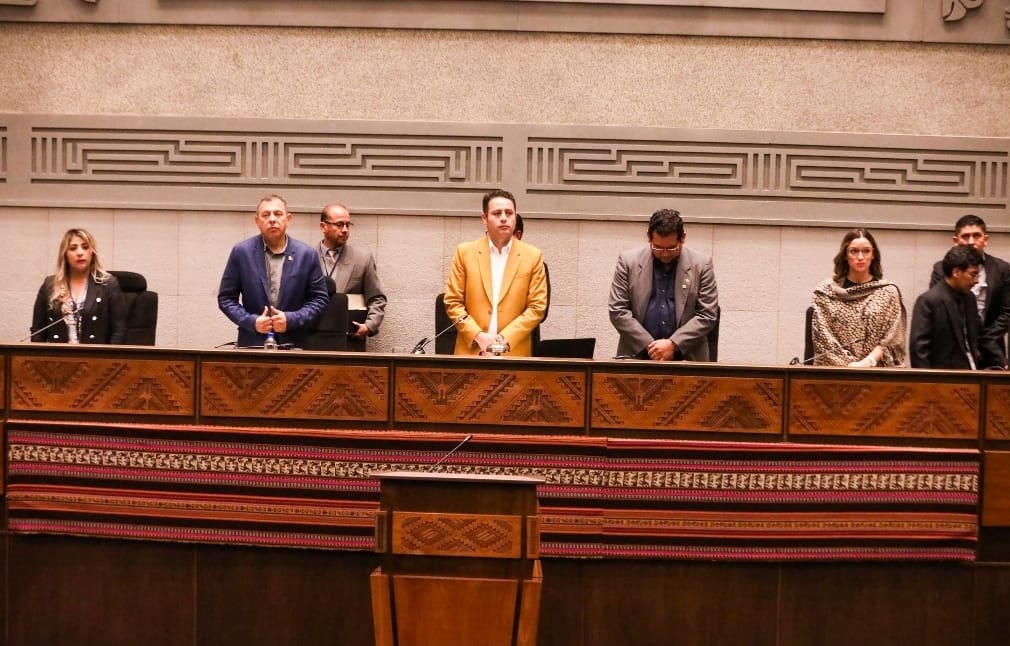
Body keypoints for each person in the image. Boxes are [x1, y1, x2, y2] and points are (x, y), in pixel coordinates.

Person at [443, 189, 548, 356]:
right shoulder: (464, 253)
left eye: (509, 213)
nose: (504, 218)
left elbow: (537, 308)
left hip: (514, 353)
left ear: (515, 217)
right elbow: (453, 302)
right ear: (484, 218)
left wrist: (502, 340)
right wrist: (478, 336)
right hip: (472, 353)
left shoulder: (533, 256)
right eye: (497, 213)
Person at [218, 194, 329, 349]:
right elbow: (226, 299)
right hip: (252, 344)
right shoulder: (241, 252)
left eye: (278, 214)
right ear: (257, 221)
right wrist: (252, 322)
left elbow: (320, 300)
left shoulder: (307, 255)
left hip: (293, 345)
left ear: (288, 219)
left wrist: (291, 320)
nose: (272, 219)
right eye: (265, 215)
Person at [608, 208, 719, 361]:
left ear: (683, 238)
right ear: (649, 237)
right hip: (637, 356)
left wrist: (673, 344)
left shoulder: (702, 265)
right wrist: (652, 347)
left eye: (671, 248)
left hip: (686, 358)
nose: (665, 253)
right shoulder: (628, 262)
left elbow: (707, 315)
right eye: (658, 247)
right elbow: (618, 310)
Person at [810, 229, 906, 367]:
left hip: (876, 372)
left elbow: (892, 340)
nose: (860, 257)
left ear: (873, 254)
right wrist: (850, 368)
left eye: (866, 251)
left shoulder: (888, 293)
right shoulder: (826, 293)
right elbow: (823, 339)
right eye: (854, 251)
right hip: (835, 372)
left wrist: (867, 362)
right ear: (845, 254)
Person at [929, 214, 1010, 368]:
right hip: (954, 349)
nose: (971, 241)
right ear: (956, 241)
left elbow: (1007, 311)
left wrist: (987, 338)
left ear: (985, 239)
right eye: (966, 236)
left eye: (976, 236)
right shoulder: (941, 269)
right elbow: (939, 310)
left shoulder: (1002, 269)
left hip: (992, 348)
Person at [911, 245, 1003, 370]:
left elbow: (981, 336)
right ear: (956, 272)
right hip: (943, 377)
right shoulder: (928, 301)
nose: (977, 280)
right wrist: (926, 380)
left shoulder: (969, 298)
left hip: (971, 372)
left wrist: (1002, 362)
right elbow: (919, 350)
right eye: (973, 274)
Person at [31, 228, 127, 344]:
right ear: (65, 254)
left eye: (85, 247)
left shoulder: (108, 284)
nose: (80, 253)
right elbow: (37, 333)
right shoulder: (50, 285)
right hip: (58, 354)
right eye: (73, 248)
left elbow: (119, 331)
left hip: (96, 354)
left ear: (92, 252)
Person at [318, 203, 387, 343]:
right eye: (339, 224)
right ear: (323, 227)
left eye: (347, 225)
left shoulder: (362, 258)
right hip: (313, 338)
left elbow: (377, 298)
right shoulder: (307, 257)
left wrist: (369, 326)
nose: (345, 230)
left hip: (349, 340)